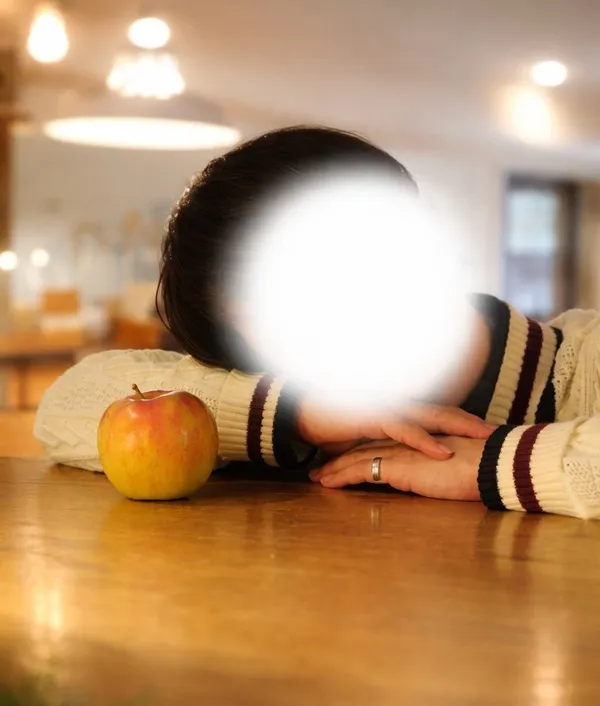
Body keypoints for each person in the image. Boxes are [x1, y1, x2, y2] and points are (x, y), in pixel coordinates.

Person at [34, 126, 600, 519]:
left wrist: (498, 465)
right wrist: (297, 414)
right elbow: (65, 408)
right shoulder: (296, 425)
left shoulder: (585, 363)